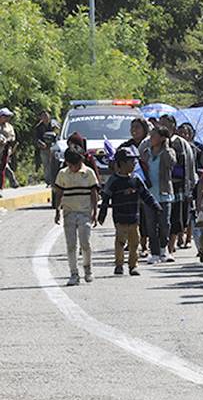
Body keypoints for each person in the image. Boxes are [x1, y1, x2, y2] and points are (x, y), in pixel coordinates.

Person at [98, 148, 162, 276]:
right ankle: (119, 264)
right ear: (121, 164)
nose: (133, 164)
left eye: (134, 162)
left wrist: (155, 206)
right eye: (130, 162)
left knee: (134, 243)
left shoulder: (136, 179)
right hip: (120, 218)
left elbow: (146, 195)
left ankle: (133, 265)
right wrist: (102, 214)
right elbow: (105, 198)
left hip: (134, 218)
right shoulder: (114, 180)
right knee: (120, 242)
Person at [53, 146, 100, 286]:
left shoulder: (88, 173)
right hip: (69, 213)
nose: (73, 167)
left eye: (76, 164)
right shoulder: (62, 174)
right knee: (71, 244)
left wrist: (94, 212)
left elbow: (94, 193)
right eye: (70, 164)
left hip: (84, 212)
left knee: (85, 242)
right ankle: (73, 273)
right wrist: (57, 211)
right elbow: (59, 193)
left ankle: (87, 268)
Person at [159, 115, 198, 256]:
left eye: (166, 124)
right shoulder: (152, 142)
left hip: (178, 186)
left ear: (173, 127)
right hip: (159, 186)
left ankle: (171, 246)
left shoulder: (180, 143)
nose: (162, 127)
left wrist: (191, 185)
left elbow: (188, 165)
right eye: (160, 124)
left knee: (177, 217)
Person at [140, 126, 177, 264]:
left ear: (162, 138)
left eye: (154, 136)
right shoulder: (146, 153)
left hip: (164, 193)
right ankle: (154, 252)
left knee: (164, 223)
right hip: (149, 194)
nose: (151, 139)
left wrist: (166, 147)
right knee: (151, 224)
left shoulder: (169, 152)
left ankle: (164, 249)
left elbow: (171, 163)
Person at [120, 117, 151, 257]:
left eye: (137, 127)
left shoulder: (150, 144)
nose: (134, 130)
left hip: (146, 184)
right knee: (131, 215)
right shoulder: (126, 146)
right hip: (129, 185)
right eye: (132, 127)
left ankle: (144, 245)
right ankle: (131, 242)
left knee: (145, 217)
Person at [34, 111, 58, 186]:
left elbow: (58, 135)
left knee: (54, 164)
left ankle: (55, 180)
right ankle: (48, 181)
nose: (45, 118)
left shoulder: (54, 125)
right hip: (44, 148)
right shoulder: (38, 127)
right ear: (41, 118)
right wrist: (41, 143)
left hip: (53, 147)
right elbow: (36, 138)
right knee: (46, 164)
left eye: (46, 116)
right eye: (43, 116)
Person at [0, 108, 17, 196]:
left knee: (2, 169)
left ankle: (0, 188)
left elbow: (13, 137)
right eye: (5, 116)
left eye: (8, 116)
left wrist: (7, 140)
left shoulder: (9, 127)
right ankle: (13, 181)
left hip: (5, 150)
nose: (7, 118)